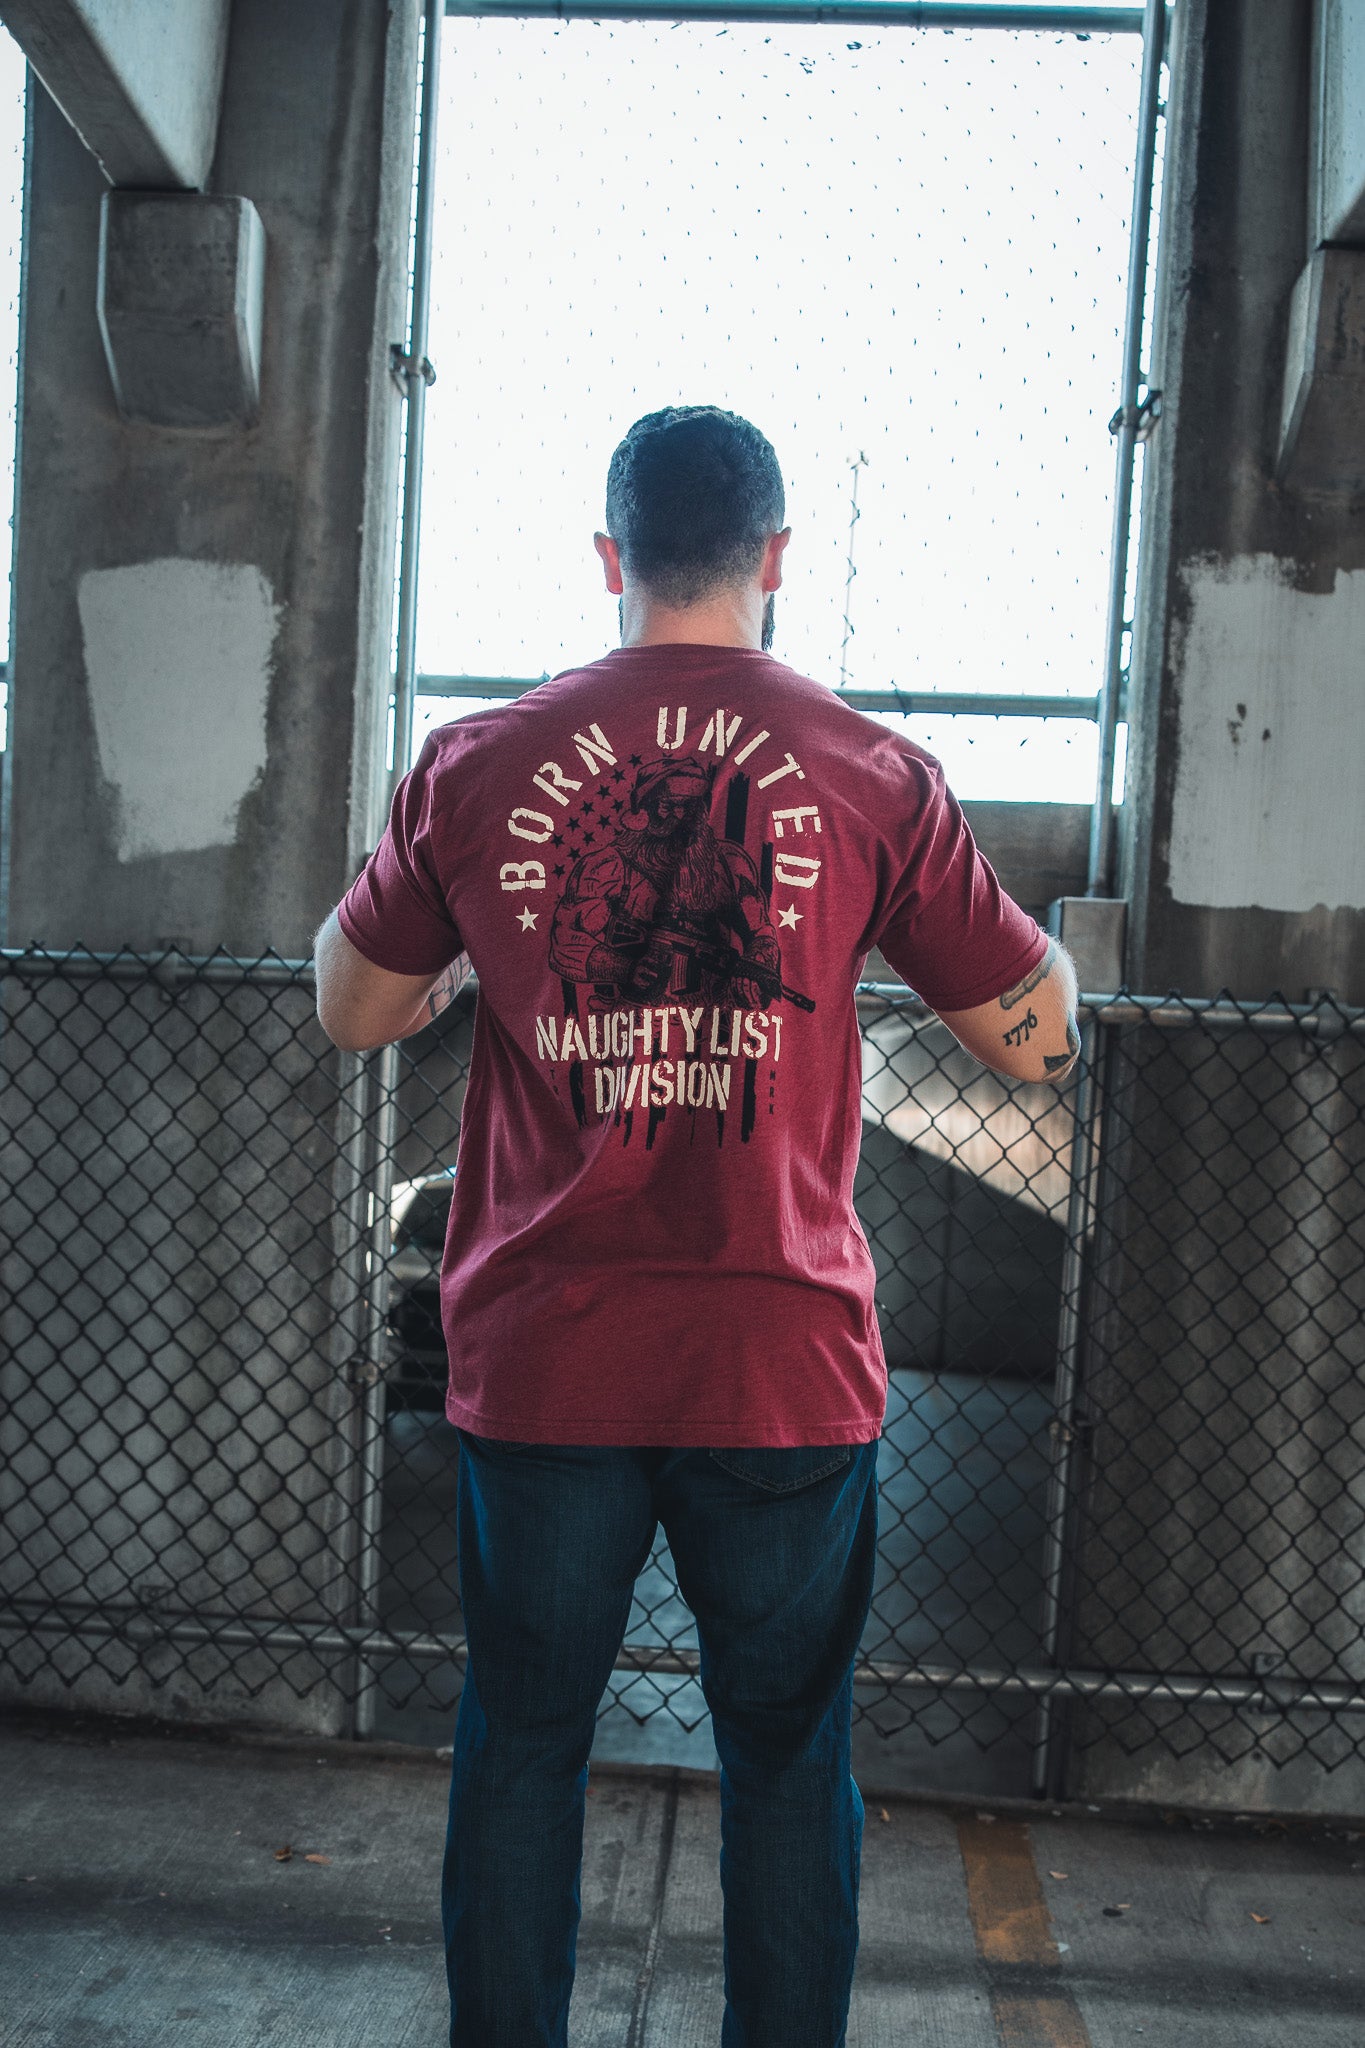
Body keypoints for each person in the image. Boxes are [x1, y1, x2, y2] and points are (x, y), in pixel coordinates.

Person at [314, 406, 1079, 2048]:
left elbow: (354, 1008)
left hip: (547, 1361)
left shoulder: (474, 762)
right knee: (787, 1758)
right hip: (778, 1357)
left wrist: (462, 947)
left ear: (609, 560)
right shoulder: (874, 772)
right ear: (775, 560)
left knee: (521, 1741)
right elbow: (1032, 1036)